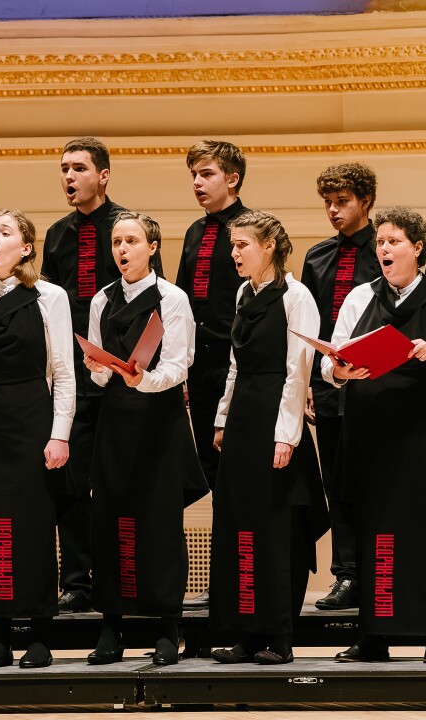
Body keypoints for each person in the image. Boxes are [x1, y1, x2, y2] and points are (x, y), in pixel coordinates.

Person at [324, 207, 426, 663]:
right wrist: (339, 371)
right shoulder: (358, 298)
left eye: (393, 241)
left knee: (424, 533)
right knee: (374, 534)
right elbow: (328, 361)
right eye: (380, 242)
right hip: (371, 431)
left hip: (424, 432)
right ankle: (373, 636)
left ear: (417, 248)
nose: (384, 249)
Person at [0, 209, 75, 669]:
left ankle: (41, 634)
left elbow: (64, 372)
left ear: (25, 248)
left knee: (35, 526)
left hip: (32, 419)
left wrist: (59, 434)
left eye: (4, 232)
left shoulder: (49, 296)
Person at [84, 212, 208, 666]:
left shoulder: (171, 298)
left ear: (152, 246)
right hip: (116, 421)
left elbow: (180, 364)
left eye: (131, 241)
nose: (122, 249)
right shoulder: (101, 298)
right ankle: (111, 625)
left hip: (159, 420)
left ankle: (166, 627)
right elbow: (96, 370)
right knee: (111, 523)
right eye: (116, 241)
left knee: (158, 527)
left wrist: (144, 380)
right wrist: (98, 371)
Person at [209, 210, 328, 666]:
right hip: (243, 420)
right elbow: (236, 364)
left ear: (270, 247)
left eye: (242, 245)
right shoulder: (243, 292)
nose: (234, 253)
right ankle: (242, 631)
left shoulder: (297, 297)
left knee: (275, 531)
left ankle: (277, 636)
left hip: (277, 422)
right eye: (232, 245)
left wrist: (287, 435)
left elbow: (298, 372)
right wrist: (222, 418)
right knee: (240, 525)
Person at [41, 137, 142, 614]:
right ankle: (77, 580)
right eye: (63, 168)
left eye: (78, 168)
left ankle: (123, 574)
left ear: (103, 175)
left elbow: (148, 304)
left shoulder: (128, 229)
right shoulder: (57, 234)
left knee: (120, 480)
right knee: (72, 481)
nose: (68, 176)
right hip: (71, 377)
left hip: (122, 377)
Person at [302, 162, 381, 611]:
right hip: (330, 382)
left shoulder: (386, 248)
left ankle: (381, 572)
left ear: (365, 201)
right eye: (328, 203)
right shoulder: (316, 257)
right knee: (338, 484)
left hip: (374, 381)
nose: (333, 211)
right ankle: (347, 575)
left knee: (376, 482)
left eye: (343, 202)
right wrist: (313, 382)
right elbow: (314, 326)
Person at [176, 141, 248, 609]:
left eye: (207, 174)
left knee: (236, 477)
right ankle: (222, 578)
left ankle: (237, 577)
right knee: (209, 471)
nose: (199, 184)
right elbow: (180, 302)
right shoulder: (192, 231)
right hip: (198, 368)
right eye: (195, 176)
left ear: (232, 179)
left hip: (237, 366)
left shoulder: (252, 229)